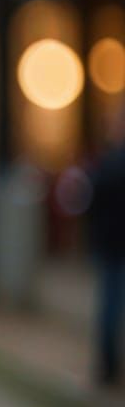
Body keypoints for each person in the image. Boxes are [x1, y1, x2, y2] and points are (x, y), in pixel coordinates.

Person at [88, 104, 125, 386]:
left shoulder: (108, 162)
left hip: (111, 246)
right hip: (112, 246)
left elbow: (92, 203)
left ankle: (107, 366)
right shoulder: (108, 162)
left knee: (110, 306)